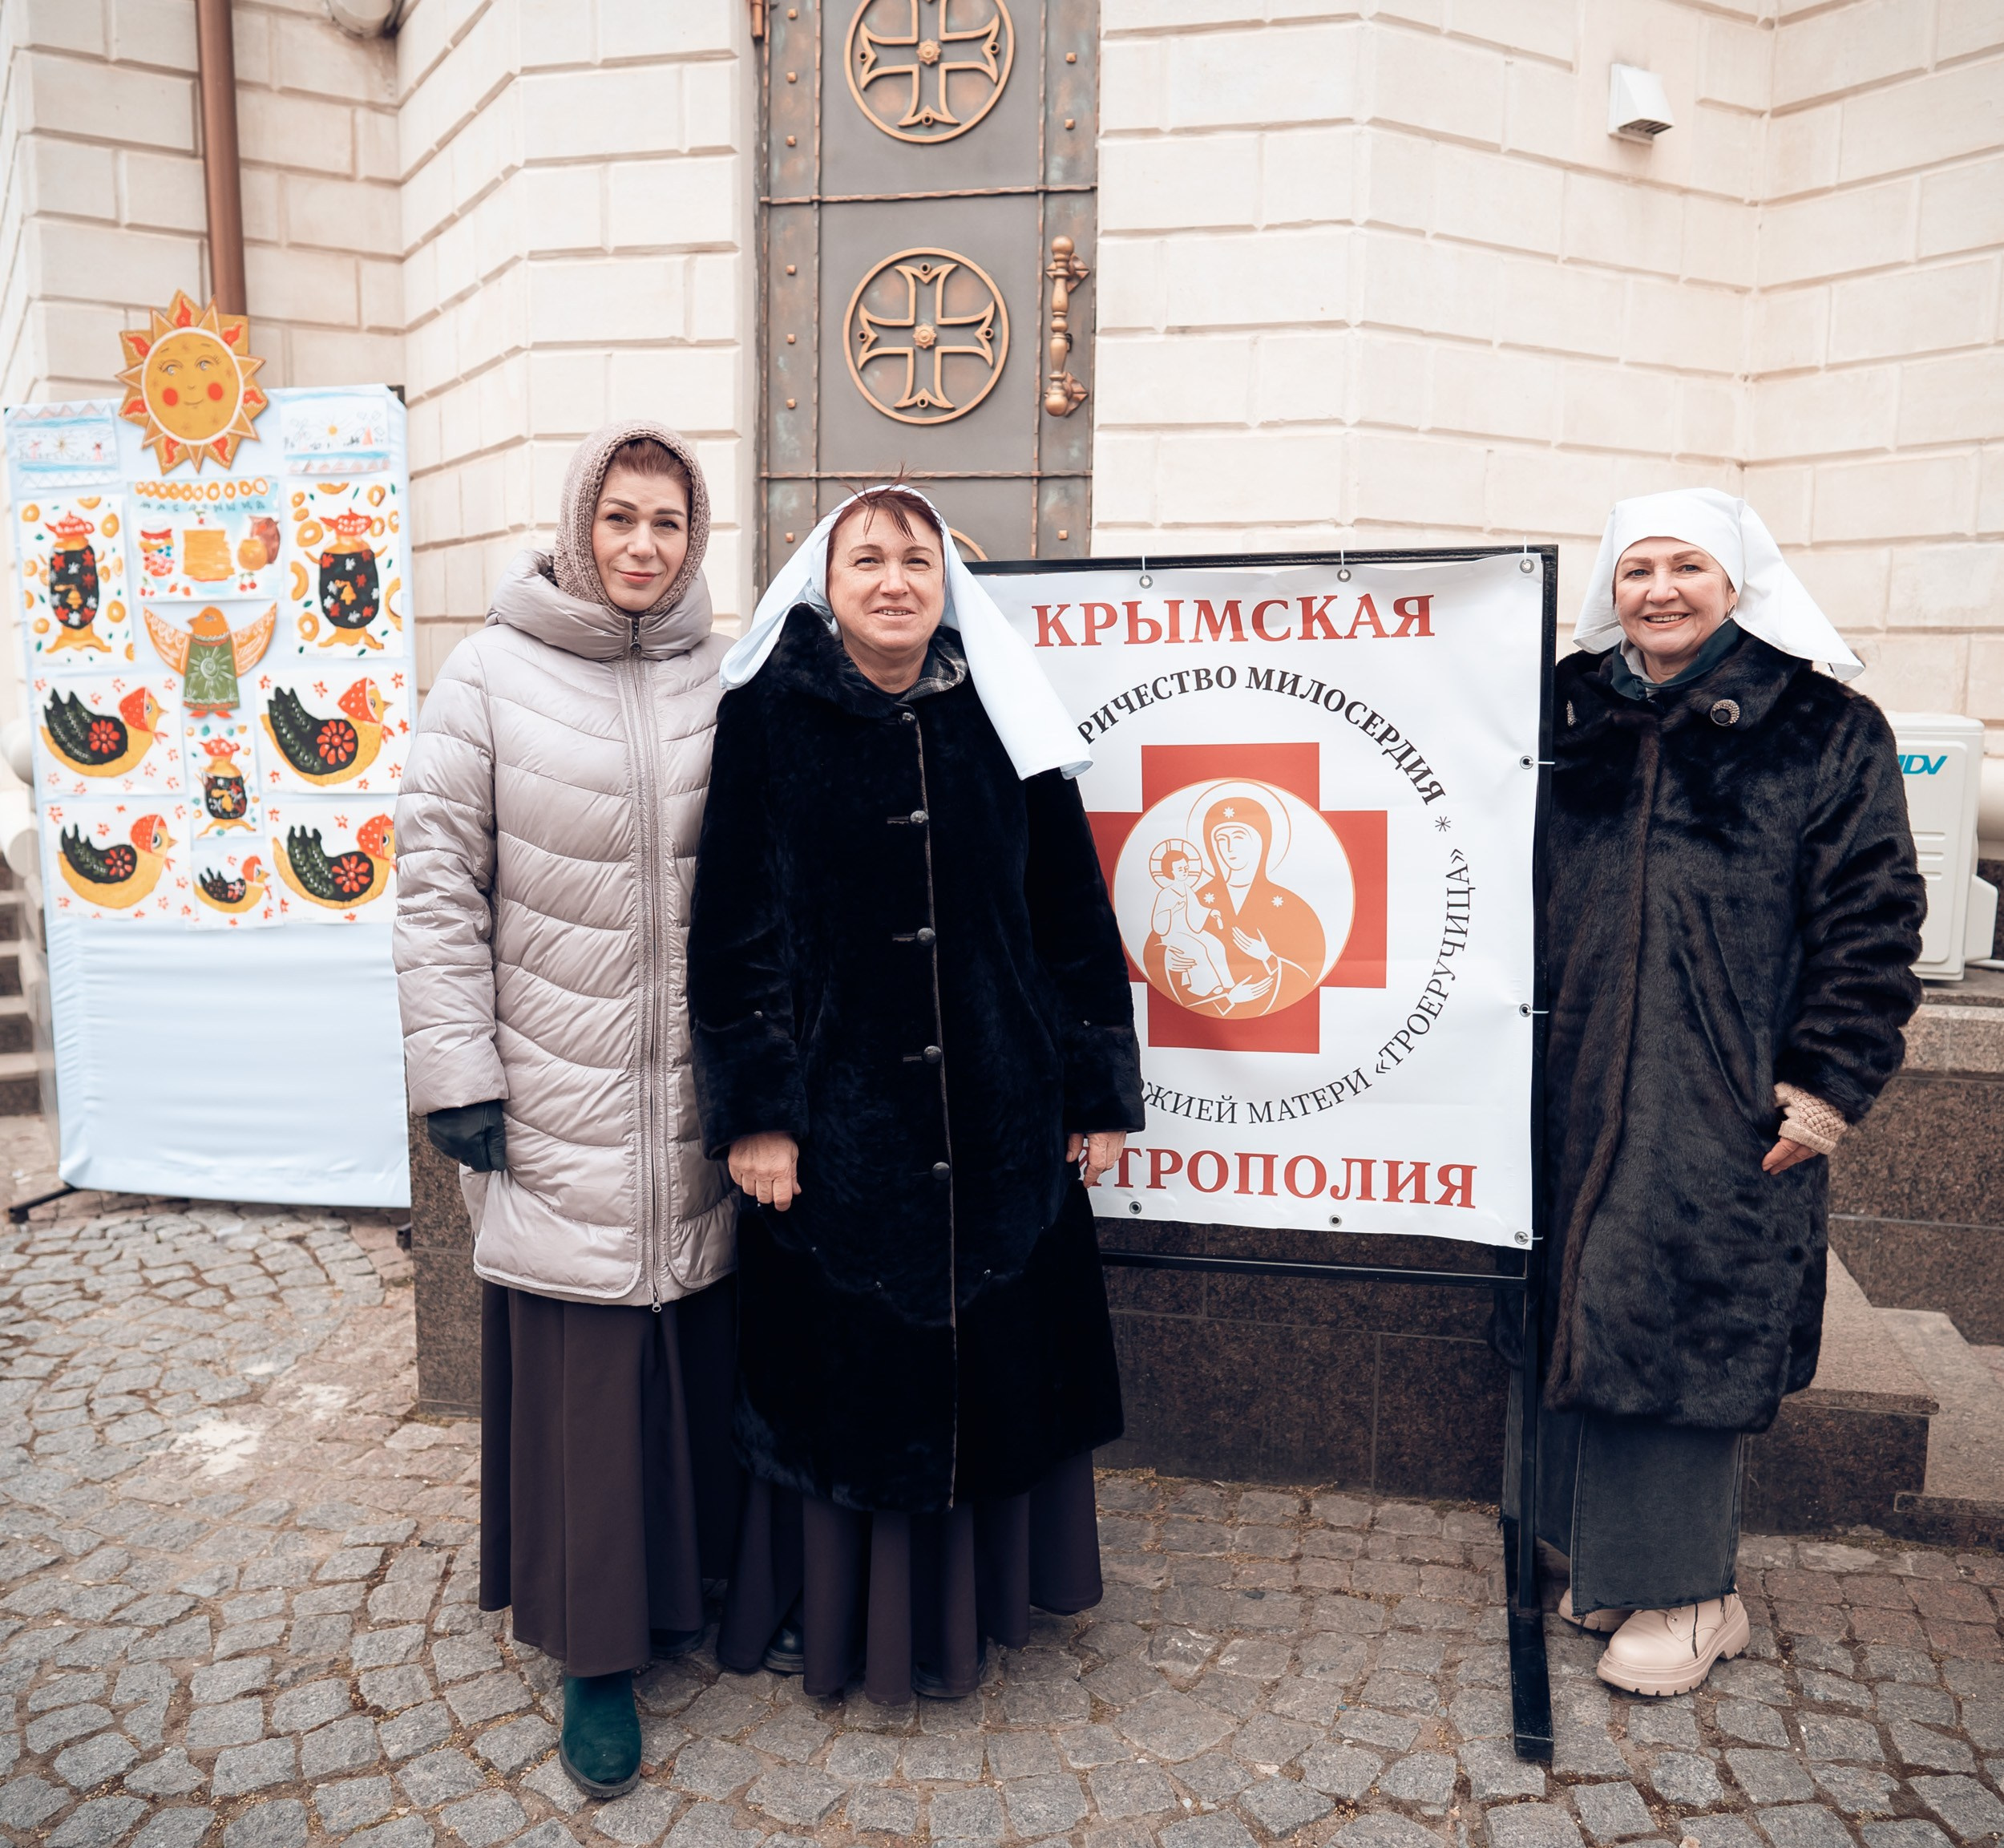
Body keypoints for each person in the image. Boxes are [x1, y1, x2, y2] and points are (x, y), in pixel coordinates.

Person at [687, 484, 1144, 1703]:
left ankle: (983, 1610)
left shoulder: (1000, 707)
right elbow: (734, 938)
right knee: (846, 1387)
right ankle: (848, 1626)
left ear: (948, 581)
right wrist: (759, 1116)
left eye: (918, 560)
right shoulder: (767, 717)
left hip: (1005, 1117)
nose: (895, 580)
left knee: (999, 1369)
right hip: (841, 1135)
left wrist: (1095, 1088)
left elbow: (1071, 912)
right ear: (822, 584)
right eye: (867, 560)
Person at [1513, 487, 1925, 1697]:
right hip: (1570, 1074)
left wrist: (1826, 1088)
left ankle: (1698, 1593)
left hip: (1725, 1094)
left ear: (1736, 580)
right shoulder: (1566, 711)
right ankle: (1599, 1561)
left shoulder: (1825, 729)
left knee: (1682, 1320)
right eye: (1636, 569)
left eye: (1686, 565)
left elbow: (1873, 918)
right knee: (1575, 1301)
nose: (1659, 591)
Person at [394, 422, 738, 1795]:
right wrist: (457, 1074)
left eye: (667, 523)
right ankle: (595, 1653)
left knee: (690, 1351)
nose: (644, 546)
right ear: (576, 524)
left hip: (695, 1107)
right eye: (621, 519)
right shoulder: (488, 673)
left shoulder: (727, 674)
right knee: (591, 1373)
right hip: (552, 1093)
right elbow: (433, 885)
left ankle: (687, 1588)